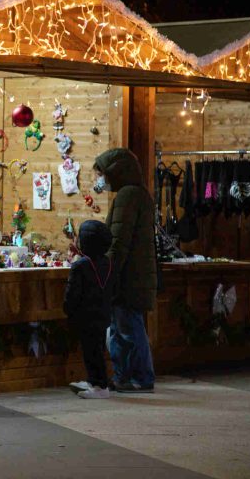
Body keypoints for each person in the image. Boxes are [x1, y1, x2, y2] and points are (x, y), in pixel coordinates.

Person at [93, 148, 157, 393]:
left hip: (128, 277)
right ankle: (130, 377)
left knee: (127, 330)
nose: (101, 180)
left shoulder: (127, 196)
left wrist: (107, 271)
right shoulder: (138, 194)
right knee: (126, 328)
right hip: (135, 275)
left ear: (115, 172)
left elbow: (118, 241)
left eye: (103, 174)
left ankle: (138, 377)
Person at [64, 220, 116, 399]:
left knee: (91, 352)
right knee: (97, 350)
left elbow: (72, 293)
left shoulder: (80, 266)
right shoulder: (108, 262)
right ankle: (94, 380)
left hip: (85, 316)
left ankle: (99, 386)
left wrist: (68, 310)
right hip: (103, 314)